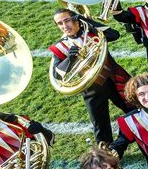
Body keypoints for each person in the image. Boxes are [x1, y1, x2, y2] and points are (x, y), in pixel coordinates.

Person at [48, 8, 133, 144]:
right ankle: (107, 155)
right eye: (60, 23)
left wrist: (85, 19)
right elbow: (57, 75)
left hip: (115, 78)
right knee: (100, 126)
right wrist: (70, 59)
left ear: (75, 19)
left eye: (67, 20)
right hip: (91, 89)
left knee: (133, 108)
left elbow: (114, 35)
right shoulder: (61, 47)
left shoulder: (93, 32)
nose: (65, 26)